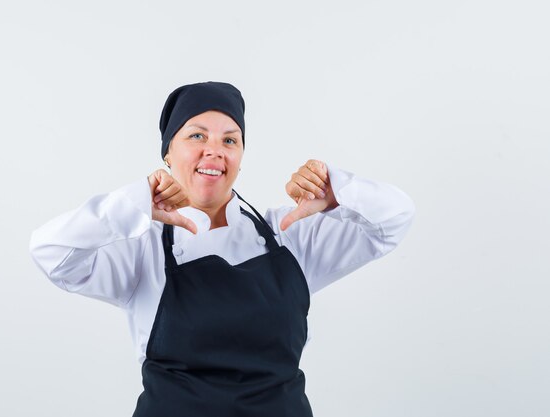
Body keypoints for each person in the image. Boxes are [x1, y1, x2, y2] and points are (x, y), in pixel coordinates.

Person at [29, 81, 416, 416]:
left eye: (230, 139)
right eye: (196, 135)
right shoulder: (139, 249)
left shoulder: (291, 234)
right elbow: (50, 252)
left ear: (240, 158)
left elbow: (395, 219)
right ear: (167, 153)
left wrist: (338, 193)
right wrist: (131, 205)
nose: (214, 150)